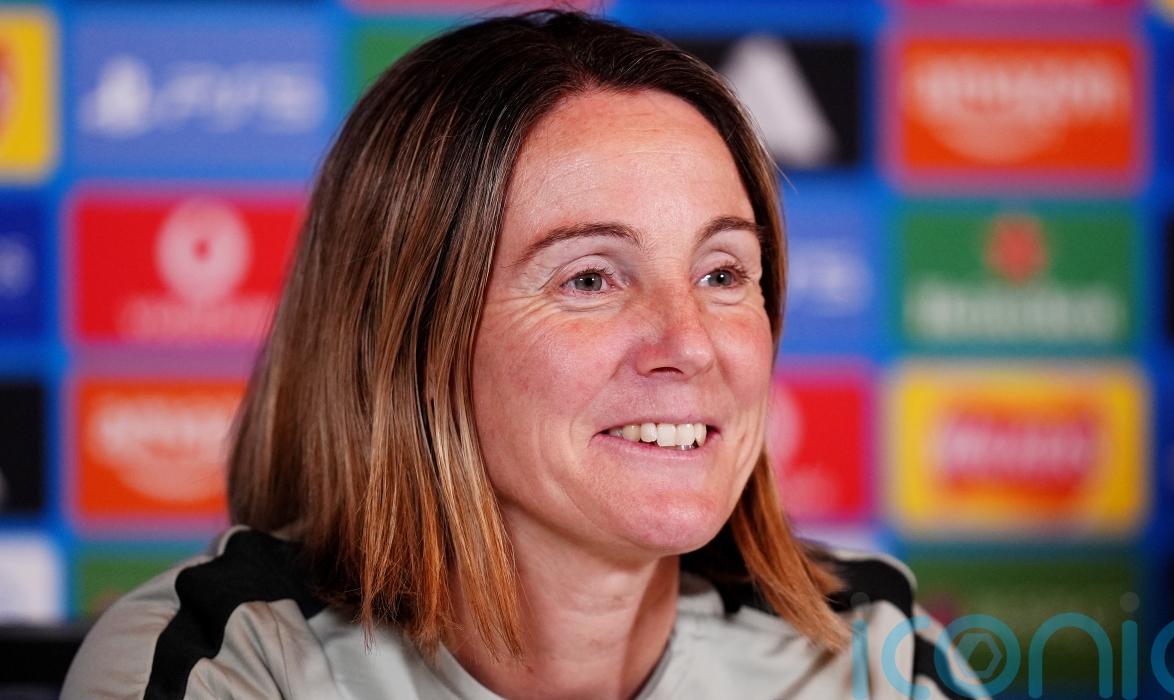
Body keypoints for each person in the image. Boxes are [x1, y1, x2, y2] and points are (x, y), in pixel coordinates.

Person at [63, 10, 980, 699]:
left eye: (723, 273)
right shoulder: (226, 663)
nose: (690, 343)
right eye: (591, 278)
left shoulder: (874, 654)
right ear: (410, 334)